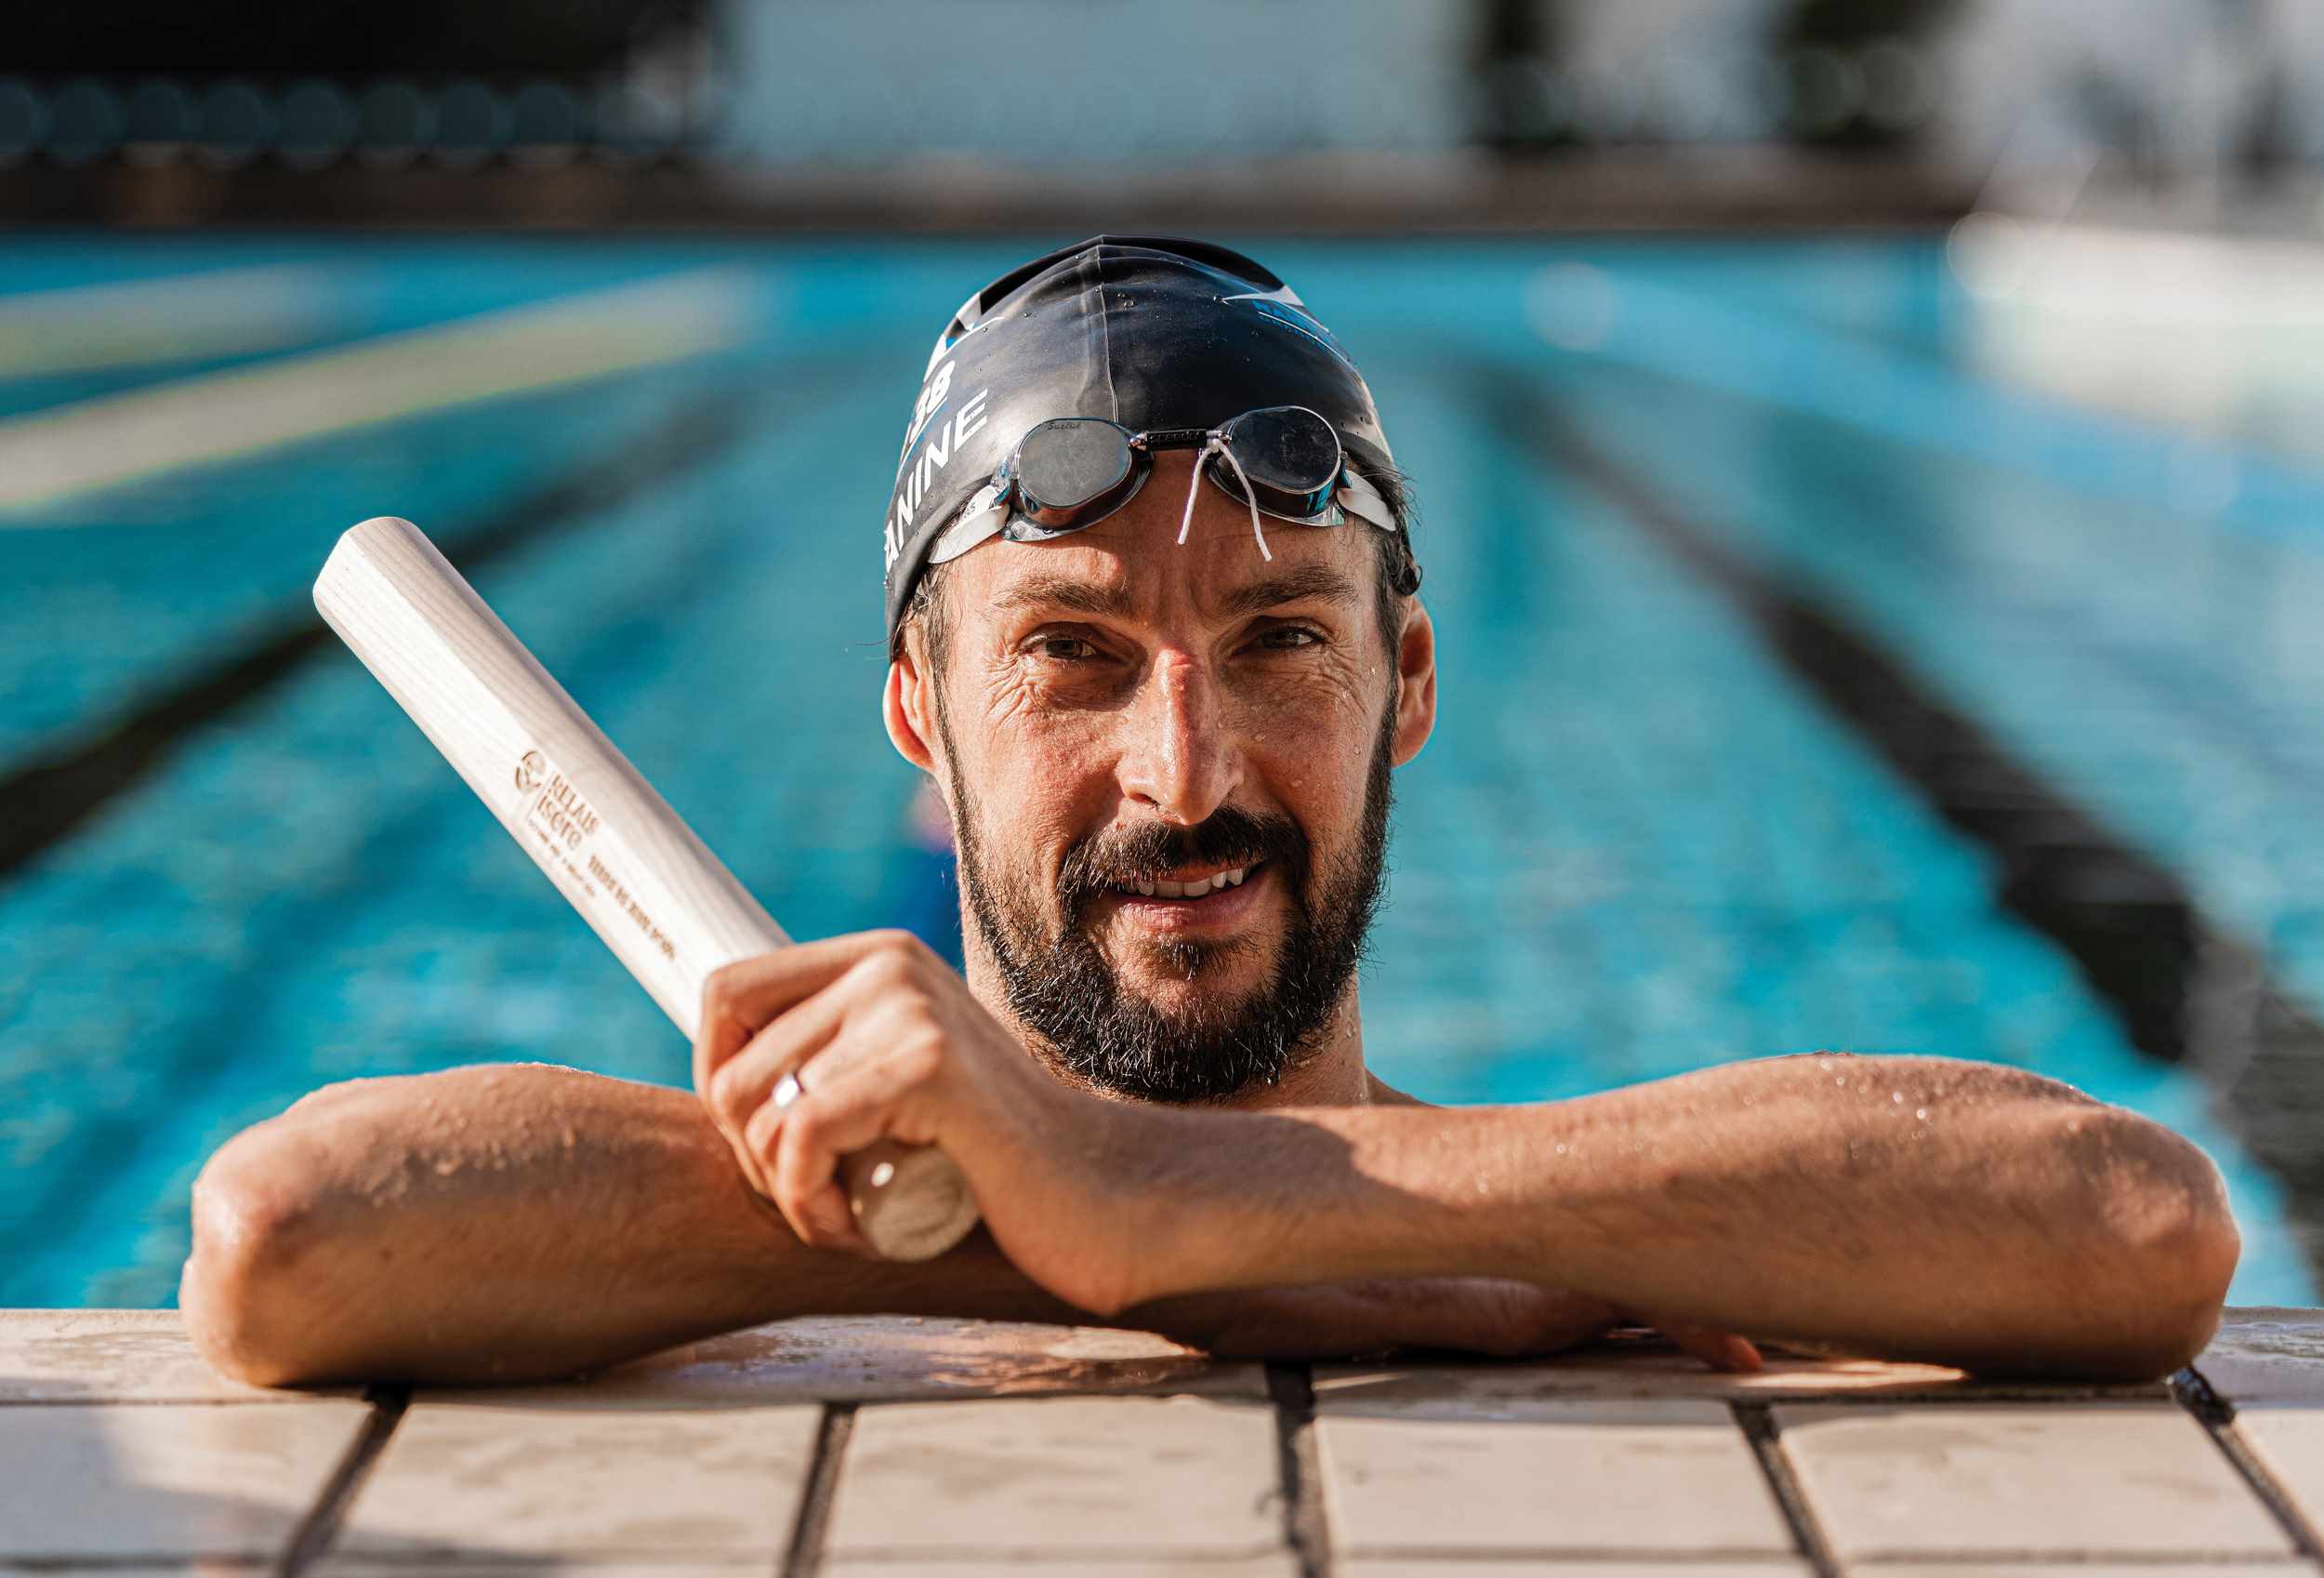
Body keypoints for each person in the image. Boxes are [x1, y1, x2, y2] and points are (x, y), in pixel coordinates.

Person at [180, 237, 2238, 1387]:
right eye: (1071, 654)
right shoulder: (1599, 1233)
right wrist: (1135, 1223)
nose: (1186, 776)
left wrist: (1163, 1198)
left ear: (1406, 684)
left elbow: (2137, 1225)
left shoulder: (1567, 1202)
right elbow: (293, 1235)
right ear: (917, 718)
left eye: (1277, 643)